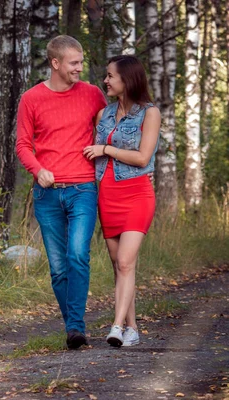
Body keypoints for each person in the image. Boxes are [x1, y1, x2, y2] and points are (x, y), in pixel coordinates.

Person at [16, 35, 107, 349]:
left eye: (81, 62)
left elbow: (110, 128)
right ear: (55, 63)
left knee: (77, 255)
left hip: (84, 188)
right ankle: (73, 328)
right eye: (74, 63)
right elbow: (23, 145)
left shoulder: (93, 94)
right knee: (57, 268)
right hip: (48, 194)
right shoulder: (31, 98)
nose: (79, 69)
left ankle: (76, 327)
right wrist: (37, 169)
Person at [83, 55, 161, 347]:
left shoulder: (149, 113)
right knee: (119, 264)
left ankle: (116, 327)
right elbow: (89, 151)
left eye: (111, 76)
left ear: (128, 79)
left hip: (137, 193)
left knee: (127, 261)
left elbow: (142, 157)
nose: (105, 81)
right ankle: (132, 328)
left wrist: (106, 148)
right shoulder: (104, 114)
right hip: (108, 193)